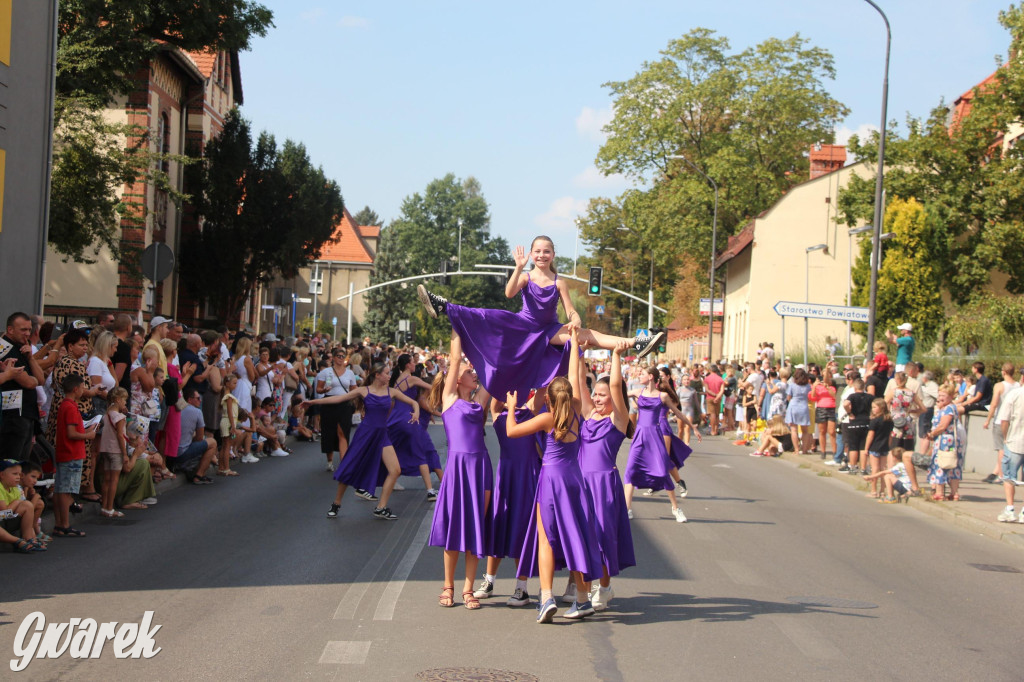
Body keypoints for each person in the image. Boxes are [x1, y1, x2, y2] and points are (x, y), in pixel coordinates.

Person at [417, 236, 666, 400]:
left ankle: (638, 341)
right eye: (537, 251)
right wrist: (517, 267)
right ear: (532, 254)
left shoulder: (560, 282)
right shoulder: (526, 276)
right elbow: (508, 292)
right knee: (486, 316)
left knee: (585, 335)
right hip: (523, 326)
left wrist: (576, 318)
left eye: (546, 252)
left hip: (548, 330)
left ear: (553, 255)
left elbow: (570, 310)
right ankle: (443, 306)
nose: (542, 255)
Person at [506, 328, 604, 623]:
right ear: (569, 396)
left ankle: (546, 596)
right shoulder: (576, 411)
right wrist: (576, 347)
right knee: (575, 535)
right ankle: (583, 598)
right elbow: (575, 378)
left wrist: (512, 408)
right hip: (575, 479)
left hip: (551, 481)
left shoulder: (547, 419)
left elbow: (511, 431)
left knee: (546, 538)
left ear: (548, 398)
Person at [427, 332, 494, 610]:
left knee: (475, 528)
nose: (473, 374)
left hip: (481, 467)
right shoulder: (450, 398)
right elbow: (455, 357)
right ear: (456, 379)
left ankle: (468, 588)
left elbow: (494, 371)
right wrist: (457, 325)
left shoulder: (479, 401)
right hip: (457, 468)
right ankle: (448, 586)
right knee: (455, 530)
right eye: (468, 371)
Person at [307, 363, 420, 521]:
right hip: (365, 434)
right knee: (349, 467)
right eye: (387, 373)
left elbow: (414, 402)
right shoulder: (363, 391)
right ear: (377, 375)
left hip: (382, 435)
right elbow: (338, 398)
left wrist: (416, 412)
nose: (389, 376)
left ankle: (381, 507)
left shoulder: (392, 391)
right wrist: (312, 402)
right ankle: (336, 503)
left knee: (395, 470)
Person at [575, 339, 635, 611]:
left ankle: (605, 587)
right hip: (582, 484)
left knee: (603, 536)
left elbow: (614, 385)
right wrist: (579, 352)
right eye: (595, 394)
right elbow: (578, 385)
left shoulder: (618, 420)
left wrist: (616, 354)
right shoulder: (589, 415)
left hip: (604, 486)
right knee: (583, 536)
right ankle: (583, 591)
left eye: (602, 395)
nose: (597, 398)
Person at [474, 392, 542, 607]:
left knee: (521, 529)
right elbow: (496, 398)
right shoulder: (498, 414)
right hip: (507, 476)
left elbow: (540, 392)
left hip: (529, 476)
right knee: (499, 525)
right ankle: (489, 580)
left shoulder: (531, 412)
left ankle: (521, 588)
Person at [625, 366, 686, 523]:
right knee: (630, 470)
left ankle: (676, 508)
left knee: (662, 472)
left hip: (654, 436)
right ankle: (627, 509)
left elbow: (677, 412)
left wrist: (693, 428)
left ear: (651, 377)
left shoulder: (663, 396)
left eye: (642, 374)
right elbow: (618, 395)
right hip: (639, 436)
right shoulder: (638, 392)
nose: (640, 376)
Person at [387, 354, 437, 497]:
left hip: (394, 418)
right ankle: (430, 490)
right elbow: (432, 387)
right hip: (408, 417)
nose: (415, 364)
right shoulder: (412, 378)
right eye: (413, 362)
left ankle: (388, 480)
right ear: (408, 365)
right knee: (419, 452)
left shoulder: (396, 380)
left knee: (394, 450)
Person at [53, 374, 95, 537]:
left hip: (66, 452)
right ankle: (64, 524)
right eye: (83, 387)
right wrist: (88, 435)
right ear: (76, 389)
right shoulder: (70, 407)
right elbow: (72, 433)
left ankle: (59, 524)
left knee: (60, 490)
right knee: (65, 491)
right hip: (71, 453)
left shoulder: (66, 405)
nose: (84, 390)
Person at [0, 312, 41, 463]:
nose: (27, 334)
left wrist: (30, 358)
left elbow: (40, 379)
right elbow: (29, 383)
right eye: (23, 330)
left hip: (28, 413)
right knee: (10, 463)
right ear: (10, 330)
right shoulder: (4, 348)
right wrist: (34, 380)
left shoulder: (24, 347)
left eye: (29, 330)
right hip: (13, 416)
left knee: (22, 465)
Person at [315, 347, 358, 472]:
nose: (340, 358)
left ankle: (344, 461)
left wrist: (356, 397)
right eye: (338, 356)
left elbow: (353, 388)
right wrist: (324, 390)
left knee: (343, 431)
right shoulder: (326, 372)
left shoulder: (349, 372)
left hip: (344, 403)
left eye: (342, 356)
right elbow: (318, 389)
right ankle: (329, 461)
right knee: (329, 431)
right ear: (333, 358)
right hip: (329, 402)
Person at [925, 383, 966, 501]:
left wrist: (932, 434)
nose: (940, 397)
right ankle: (954, 493)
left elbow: (943, 425)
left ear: (951, 396)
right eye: (939, 395)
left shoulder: (948, 408)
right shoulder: (947, 407)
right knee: (952, 465)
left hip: (945, 441)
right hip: (949, 440)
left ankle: (939, 493)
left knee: (941, 464)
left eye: (944, 395)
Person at [984, 363, 1019, 485]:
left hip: (1000, 419)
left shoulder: (999, 386)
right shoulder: (1018, 385)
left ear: (1003, 372)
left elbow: (994, 404)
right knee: (1011, 449)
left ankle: (1002, 475)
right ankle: (1004, 473)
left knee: (1001, 449)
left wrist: (988, 419)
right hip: (1013, 421)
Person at [97, 387, 129, 517]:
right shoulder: (120, 417)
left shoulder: (107, 414)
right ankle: (110, 508)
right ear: (117, 400)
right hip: (116, 450)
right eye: (124, 400)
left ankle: (104, 506)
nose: (125, 403)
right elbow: (120, 436)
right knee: (114, 480)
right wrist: (125, 454)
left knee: (106, 479)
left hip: (105, 448)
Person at [177, 385, 218, 484]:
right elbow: (200, 437)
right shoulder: (197, 412)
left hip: (172, 451)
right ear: (190, 400)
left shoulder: (178, 409)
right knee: (212, 442)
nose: (200, 400)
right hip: (183, 451)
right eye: (198, 398)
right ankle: (199, 475)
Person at [997, 381, 1024, 523]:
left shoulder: (1014, 394)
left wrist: (1006, 437)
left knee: (1009, 477)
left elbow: (1004, 420)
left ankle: (1010, 509)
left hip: (1015, 441)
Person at [0, 459, 41, 549]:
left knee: (27, 505)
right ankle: (16, 541)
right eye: (15, 474)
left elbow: (25, 509)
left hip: (9, 518)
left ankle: (29, 538)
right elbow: (4, 512)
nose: (19, 477)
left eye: (19, 474)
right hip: (2, 519)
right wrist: (16, 502)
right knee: (24, 503)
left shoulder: (15, 489)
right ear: (2, 475)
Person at [863, 398, 894, 498]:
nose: (873, 409)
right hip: (884, 447)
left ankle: (873, 490)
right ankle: (882, 490)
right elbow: (890, 436)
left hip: (875, 447)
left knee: (875, 469)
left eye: (874, 407)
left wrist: (866, 448)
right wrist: (888, 446)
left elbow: (870, 436)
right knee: (883, 469)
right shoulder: (889, 421)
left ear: (881, 408)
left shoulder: (875, 421)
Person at [839, 378, 872, 475]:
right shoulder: (869, 397)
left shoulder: (852, 396)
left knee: (853, 446)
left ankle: (853, 467)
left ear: (855, 387)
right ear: (864, 387)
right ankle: (863, 468)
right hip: (866, 422)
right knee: (863, 447)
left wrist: (849, 413)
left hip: (854, 423)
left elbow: (845, 403)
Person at [217, 373, 243, 477]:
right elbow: (230, 412)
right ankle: (226, 468)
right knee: (227, 446)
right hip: (228, 421)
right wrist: (233, 426)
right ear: (227, 384)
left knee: (224, 446)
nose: (235, 385)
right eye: (234, 383)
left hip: (226, 421)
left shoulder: (226, 396)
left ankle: (221, 468)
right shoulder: (228, 396)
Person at [785, 368, 813, 454]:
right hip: (804, 406)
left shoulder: (792, 385)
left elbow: (788, 397)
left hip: (794, 406)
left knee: (794, 429)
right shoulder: (808, 386)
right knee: (805, 430)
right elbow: (810, 396)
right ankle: (804, 449)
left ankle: (796, 449)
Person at [810, 371, 837, 457]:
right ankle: (823, 451)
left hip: (831, 409)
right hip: (821, 408)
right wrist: (814, 386)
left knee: (832, 431)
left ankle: (834, 451)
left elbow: (834, 395)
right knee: (822, 431)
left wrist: (827, 387)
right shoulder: (818, 388)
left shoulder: (832, 387)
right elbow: (813, 397)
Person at [703, 364, 725, 436]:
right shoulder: (720, 379)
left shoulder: (707, 378)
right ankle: (716, 429)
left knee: (712, 414)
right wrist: (717, 397)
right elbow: (722, 390)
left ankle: (712, 430)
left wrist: (714, 395)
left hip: (710, 397)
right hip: (718, 399)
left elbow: (707, 390)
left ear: (710, 370)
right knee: (717, 414)